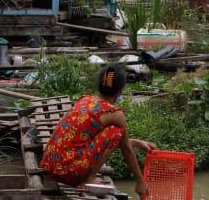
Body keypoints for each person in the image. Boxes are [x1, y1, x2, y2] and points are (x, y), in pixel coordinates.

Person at [40, 65, 155, 197]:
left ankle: (87, 175)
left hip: (51, 165)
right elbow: (126, 148)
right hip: (68, 172)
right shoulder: (114, 113)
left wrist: (136, 142)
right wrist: (140, 181)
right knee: (115, 131)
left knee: (114, 133)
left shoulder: (85, 100)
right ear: (121, 89)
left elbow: (101, 141)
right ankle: (90, 178)